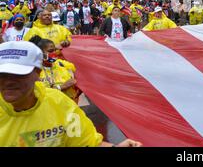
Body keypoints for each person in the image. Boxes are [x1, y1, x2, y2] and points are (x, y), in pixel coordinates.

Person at [0, 41, 142, 147]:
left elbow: (85, 143)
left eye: (18, 74)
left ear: (37, 73)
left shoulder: (59, 103)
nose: (8, 82)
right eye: (2, 74)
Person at [28, 36, 80, 102]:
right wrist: (61, 87)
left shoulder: (63, 64)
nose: (54, 53)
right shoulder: (35, 71)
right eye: (50, 51)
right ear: (40, 53)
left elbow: (76, 81)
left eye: (55, 50)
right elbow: (37, 93)